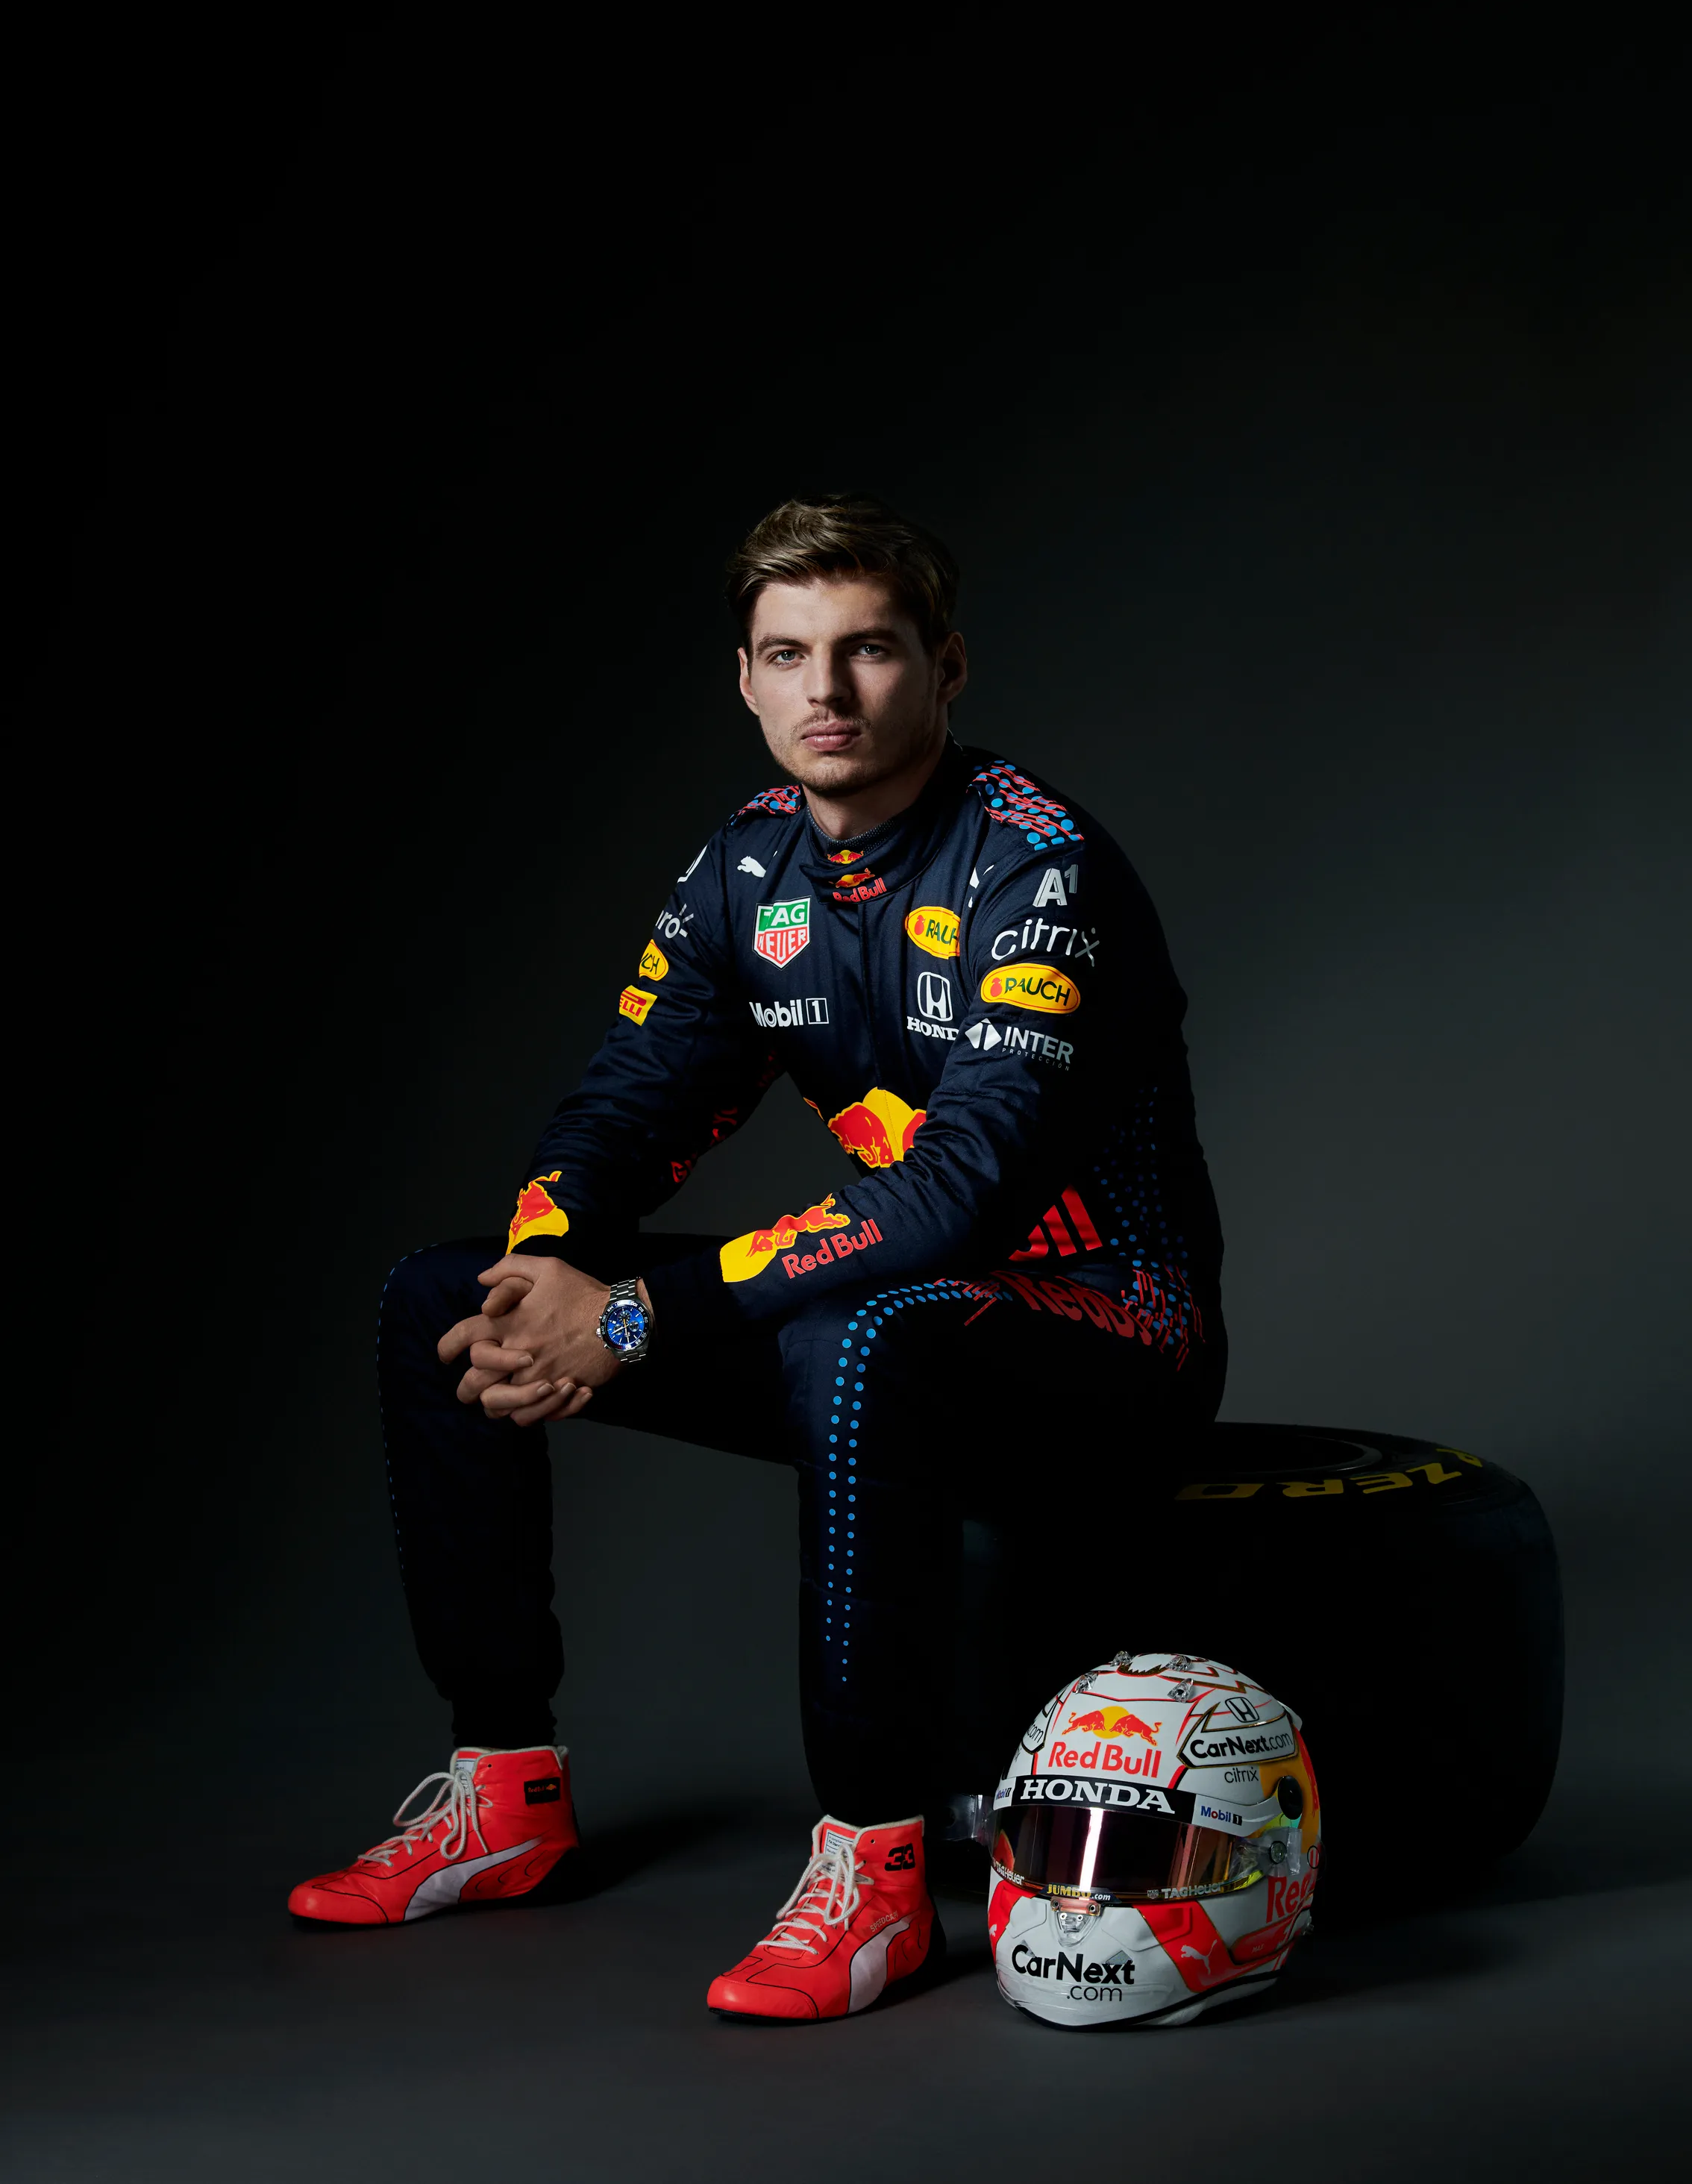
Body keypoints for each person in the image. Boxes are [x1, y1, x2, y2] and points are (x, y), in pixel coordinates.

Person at [289, 494, 1226, 2021]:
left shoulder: (1037, 864)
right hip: (897, 1318)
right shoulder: (746, 867)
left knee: (851, 1336)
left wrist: (633, 1319)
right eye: (788, 654)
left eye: (868, 650)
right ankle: (504, 1791)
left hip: (1109, 1329)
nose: (826, 690)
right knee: (441, 1295)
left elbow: (957, 1197)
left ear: (946, 666)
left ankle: (876, 1869)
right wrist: (548, 1269)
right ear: (745, 678)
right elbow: (627, 1105)